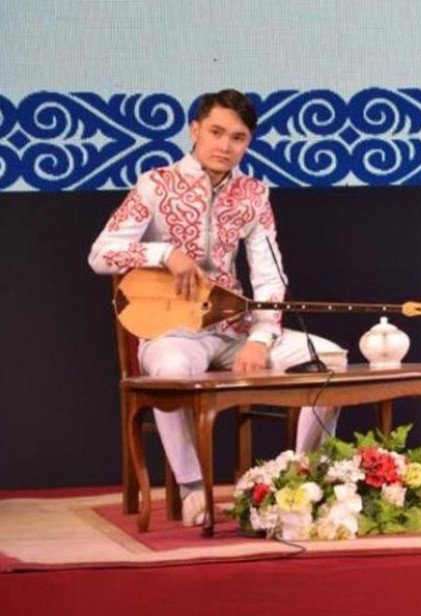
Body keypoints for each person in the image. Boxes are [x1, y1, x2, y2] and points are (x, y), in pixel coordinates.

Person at [89, 89, 343, 525]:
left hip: (234, 330)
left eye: (238, 138)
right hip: (174, 333)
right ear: (195, 130)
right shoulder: (156, 185)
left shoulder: (253, 194)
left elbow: (269, 276)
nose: (225, 146)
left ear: (248, 143)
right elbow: (101, 253)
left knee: (331, 361)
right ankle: (193, 490)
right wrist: (164, 253)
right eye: (216, 132)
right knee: (170, 370)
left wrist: (261, 337)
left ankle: (302, 481)